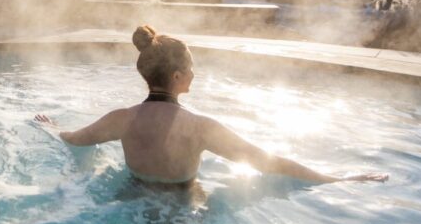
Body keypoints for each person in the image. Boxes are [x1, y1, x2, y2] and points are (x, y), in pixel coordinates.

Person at [34, 25, 389, 185]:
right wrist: (340, 178)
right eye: (190, 68)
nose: (194, 74)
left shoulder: (122, 119)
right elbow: (267, 162)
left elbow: (75, 139)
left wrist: (49, 126)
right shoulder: (200, 127)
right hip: (183, 213)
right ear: (176, 76)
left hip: (130, 203)